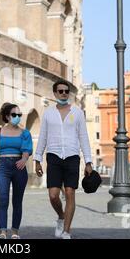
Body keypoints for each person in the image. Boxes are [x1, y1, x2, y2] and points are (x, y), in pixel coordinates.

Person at [33, 81, 93, 239]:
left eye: (66, 91)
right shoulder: (48, 113)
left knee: (70, 193)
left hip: (72, 156)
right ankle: (61, 216)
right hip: (53, 156)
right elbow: (43, 137)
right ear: (55, 94)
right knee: (53, 195)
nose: (64, 94)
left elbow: (83, 137)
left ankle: (66, 231)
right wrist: (37, 159)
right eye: (60, 91)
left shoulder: (78, 113)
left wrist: (88, 161)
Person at [0, 103, 33, 239]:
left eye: (19, 115)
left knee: (17, 201)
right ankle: (2, 232)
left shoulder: (25, 133)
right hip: (3, 168)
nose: (17, 117)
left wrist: (24, 160)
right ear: (7, 116)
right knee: (3, 200)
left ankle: (15, 232)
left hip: (19, 167)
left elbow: (27, 150)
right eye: (14, 115)